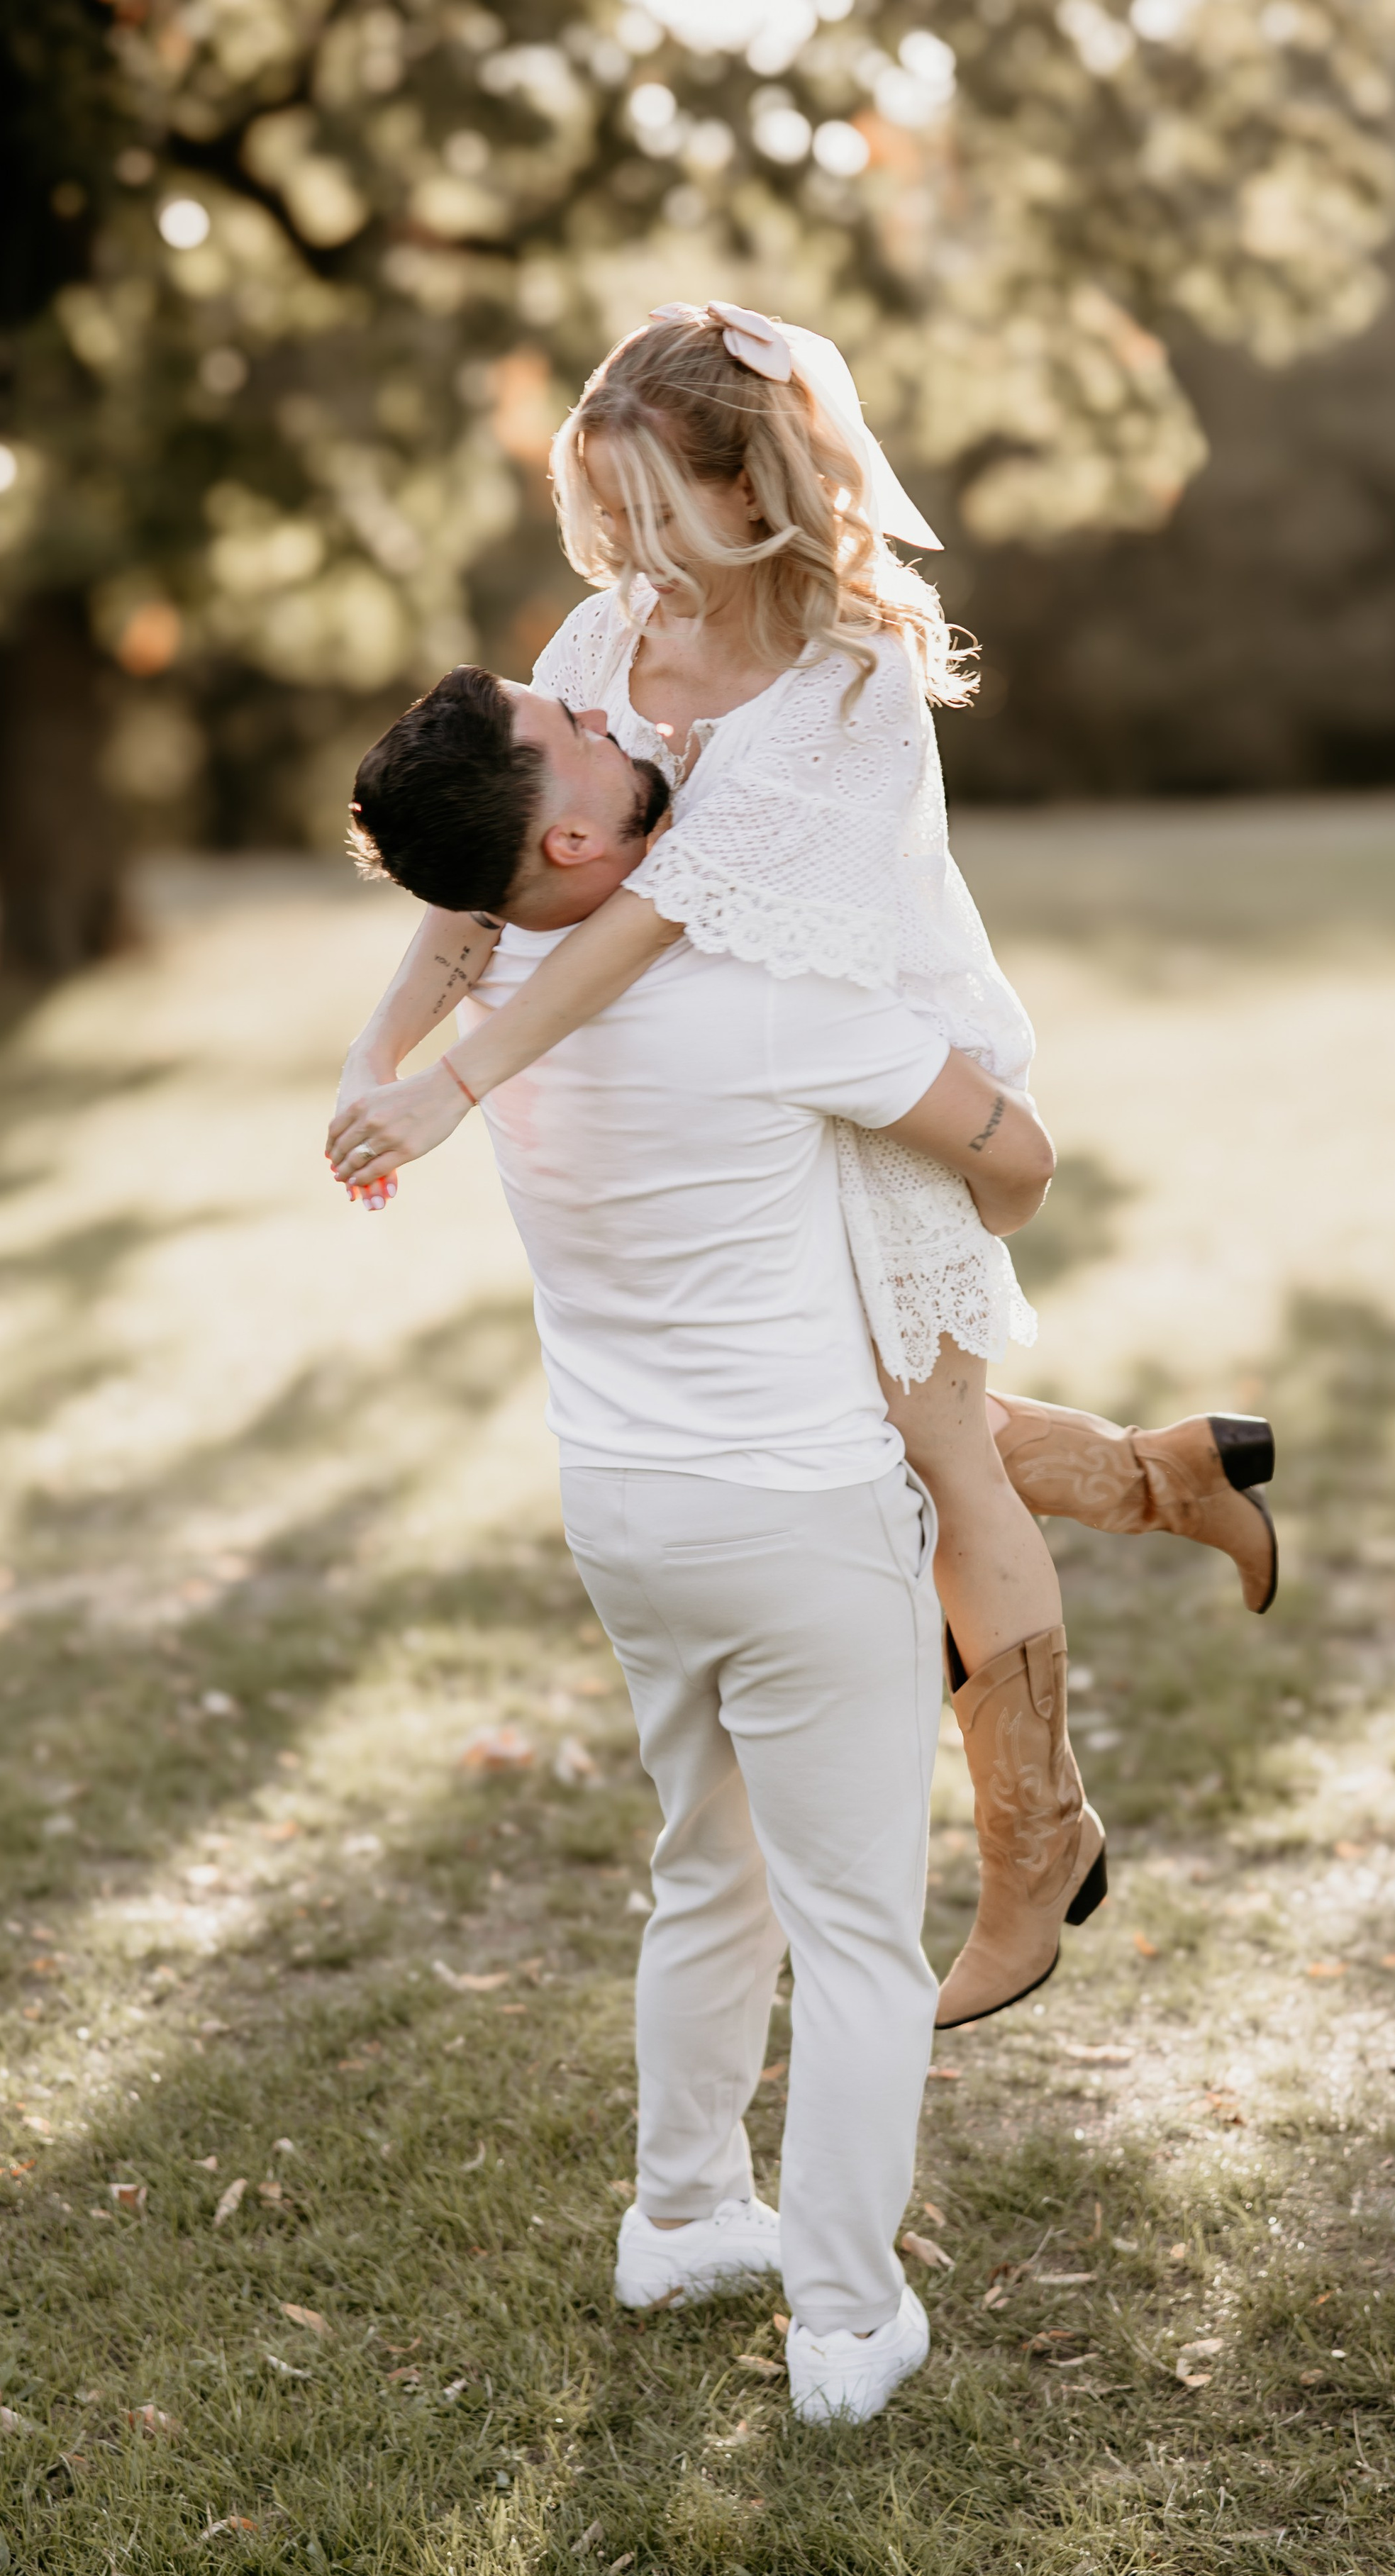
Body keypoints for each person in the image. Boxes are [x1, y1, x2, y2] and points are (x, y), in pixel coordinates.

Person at [329, 303, 1277, 2029]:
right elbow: (494, 868)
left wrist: (459, 1083)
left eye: (648, 503)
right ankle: (1164, 1476)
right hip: (728, 1106)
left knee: (936, 1454)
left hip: (869, 1086)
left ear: (746, 485)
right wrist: (374, 1059)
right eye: (600, 502)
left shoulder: (846, 678)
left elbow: (645, 916)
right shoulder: (607, 636)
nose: (622, 543)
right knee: (864, 1436)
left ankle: (1034, 1854)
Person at [345, 666, 1069, 2419]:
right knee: (856, 1930)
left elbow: (462, 942)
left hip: (623, 1508)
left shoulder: (497, 994)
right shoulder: (761, 991)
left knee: (708, 1865)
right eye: (574, 730)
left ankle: (678, 2216)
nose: (613, 711)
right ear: (568, 840)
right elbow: (1023, 1160)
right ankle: (844, 2318)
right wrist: (976, 1160)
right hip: (799, 1515)